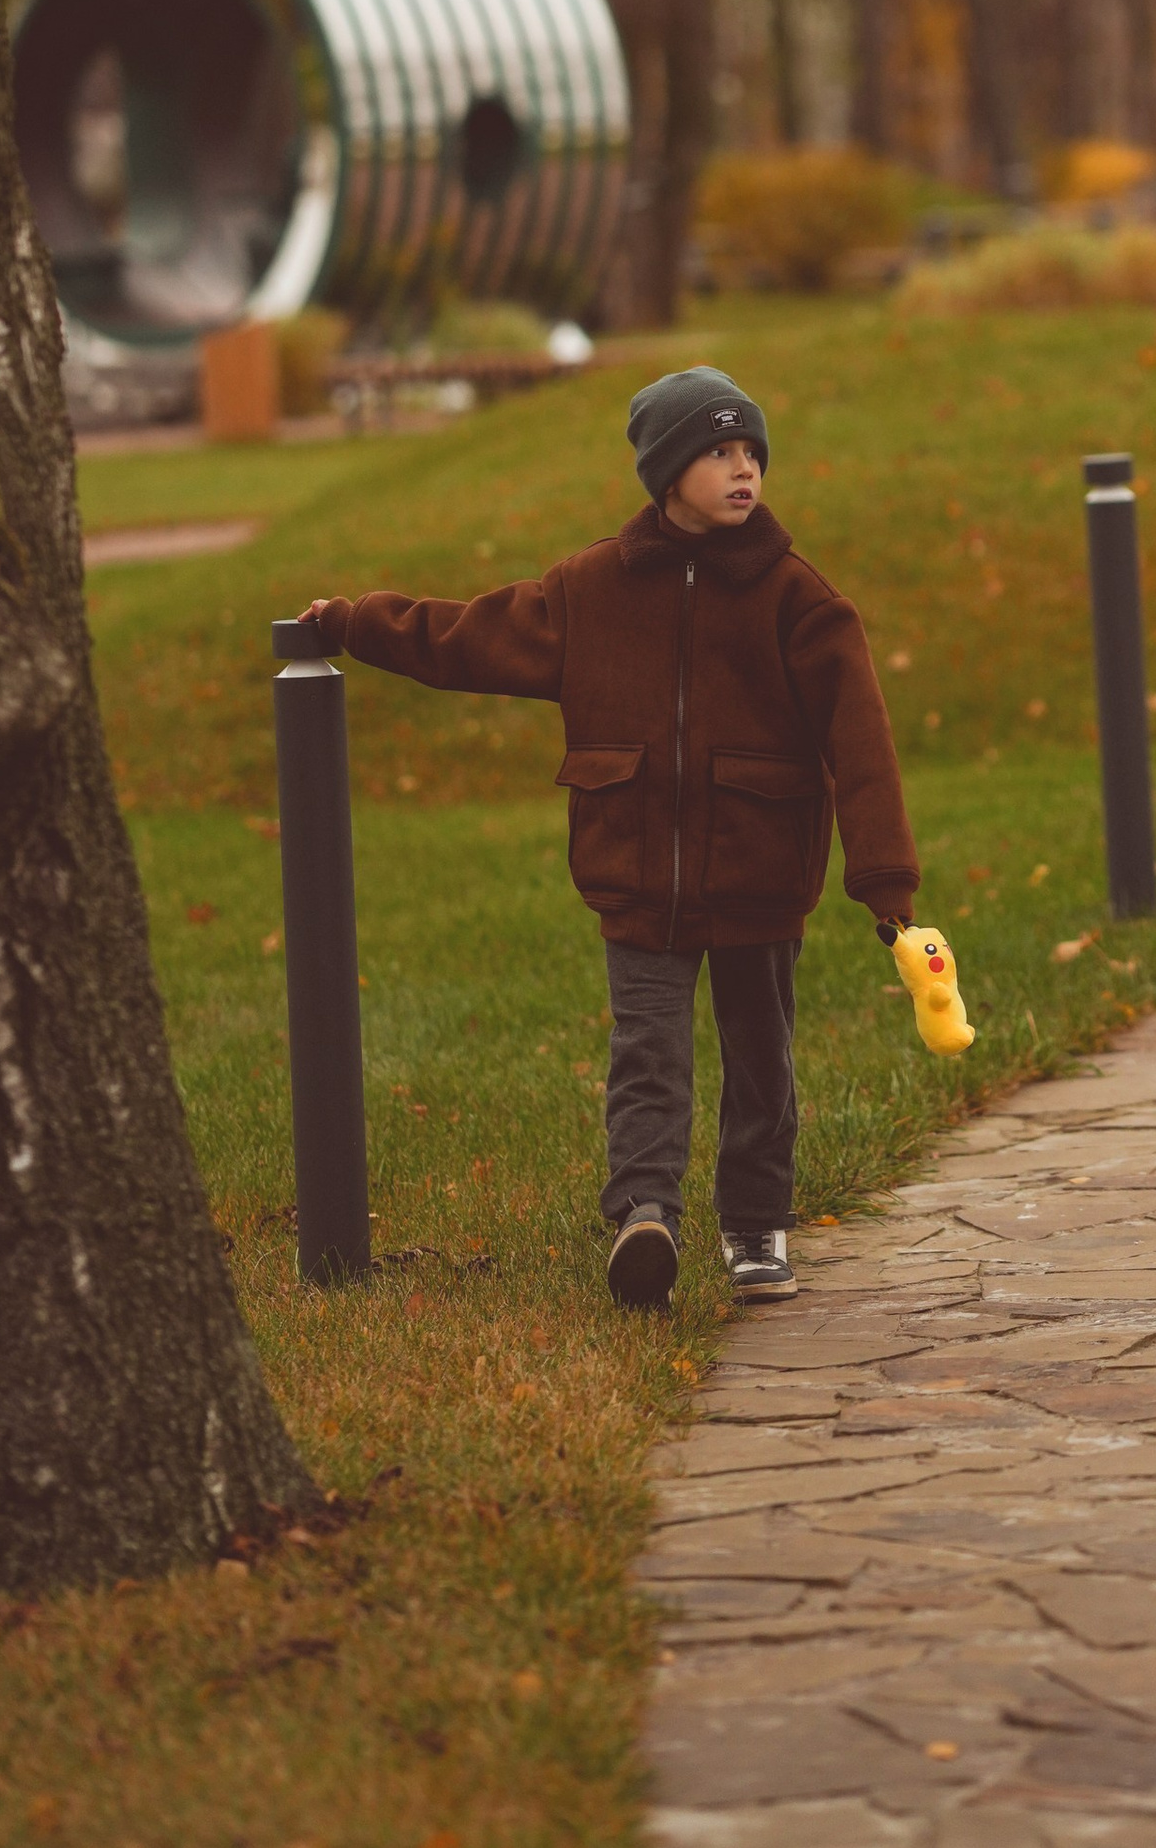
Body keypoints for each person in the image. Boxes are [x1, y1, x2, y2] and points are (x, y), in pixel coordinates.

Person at [299, 363, 920, 1311]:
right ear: (666, 471)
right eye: (718, 452)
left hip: (759, 869)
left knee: (762, 1057)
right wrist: (354, 623)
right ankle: (645, 1216)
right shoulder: (590, 590)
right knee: (649, 1051)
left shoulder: (798, 599)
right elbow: (466, 637)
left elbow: (861, 739)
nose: (743, 469)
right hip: (634, 870)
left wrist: (884, 880)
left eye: (752, 451)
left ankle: (756, 1226)